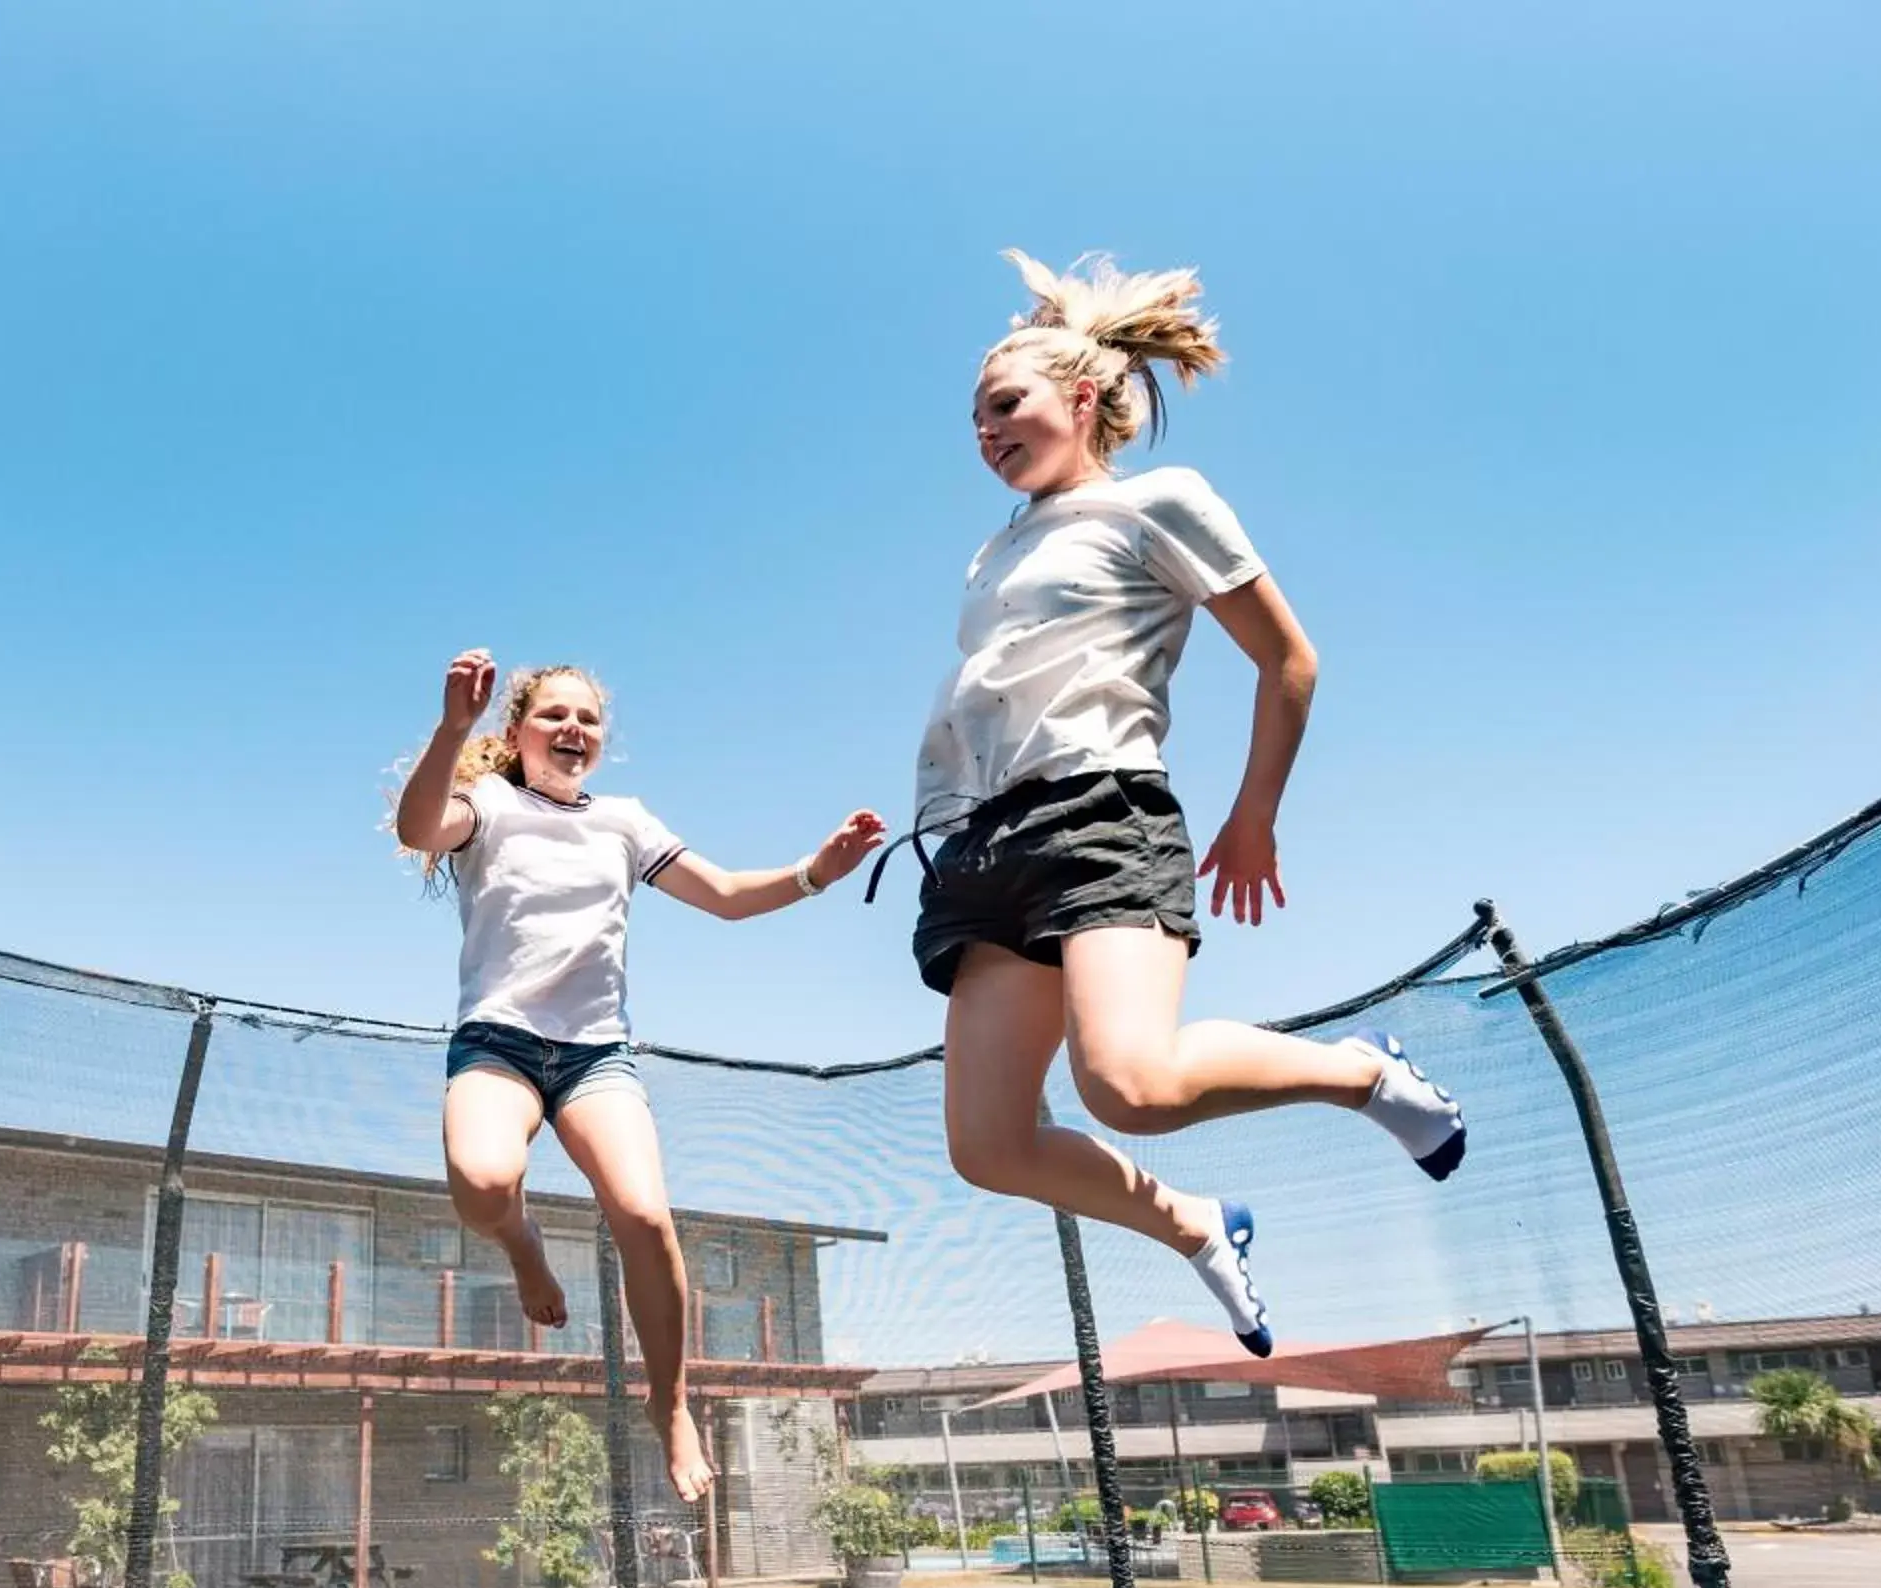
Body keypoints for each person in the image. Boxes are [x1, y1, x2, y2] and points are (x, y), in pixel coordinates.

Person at [898, 250, 1466, 1357]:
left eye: (1004, 404)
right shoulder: (993, 549)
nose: (985, 430)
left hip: (1099, 815)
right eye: (972, 417)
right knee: (990, 1144)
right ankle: (1200, 1225)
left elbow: (1288, 660)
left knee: (1131, 1084)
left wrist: (1254, 814)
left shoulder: (1162, 501)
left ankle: (1363, 1071)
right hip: (981, 847)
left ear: (1083, 397)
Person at [395, 649, 883, 1501]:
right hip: (498, 1043)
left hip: (595, 1054)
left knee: (646, 1217)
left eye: (587, 718)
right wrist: (450, 729)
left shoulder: (624, 821)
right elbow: (415, 830)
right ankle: (524, 1246)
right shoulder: (488, 804)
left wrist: (815, 872)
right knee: (482, 1182)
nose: (572, 729)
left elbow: (727, 893)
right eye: (553, 715)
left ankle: (670, 1403)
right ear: (517, 732)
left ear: (602, 738)